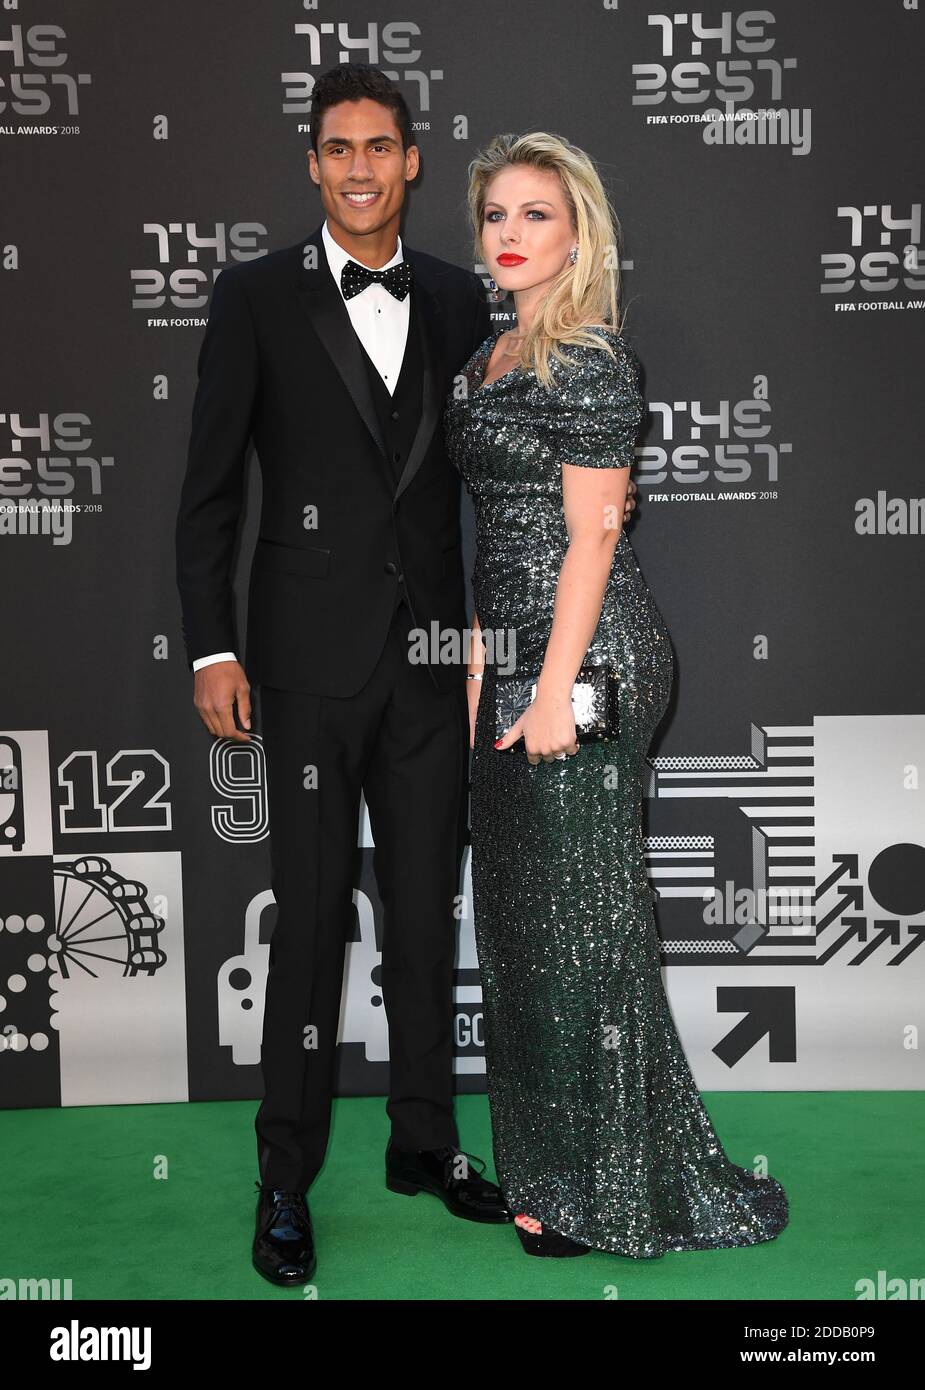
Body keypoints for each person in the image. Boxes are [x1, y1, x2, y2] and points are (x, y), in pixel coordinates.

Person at [175, 67, 639, 1285]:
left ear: (412, 160)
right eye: (339, 149)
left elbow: (516, 474)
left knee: (429, 921)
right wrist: (210, 644)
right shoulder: (252, 297)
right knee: (311, 925)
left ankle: (425, 1145)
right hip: (306, 668)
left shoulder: (459, 298)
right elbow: (211, 491)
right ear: (314, 164)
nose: (362, 168)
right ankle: (285, 1178)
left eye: (382, 146)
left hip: (440, 672)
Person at [444, 131, 789, 1258]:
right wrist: (481, 664)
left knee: (583, 930)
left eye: (535, 215)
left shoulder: (588, 359)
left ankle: (604, 1191)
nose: (509, 234)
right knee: (531, 932)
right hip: (516, 653)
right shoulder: (487, 360)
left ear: (579, 232)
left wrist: (548, 687)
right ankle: (555, 1172)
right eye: (496, 213)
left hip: (587, 659)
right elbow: (489, 531)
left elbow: (590, 542)